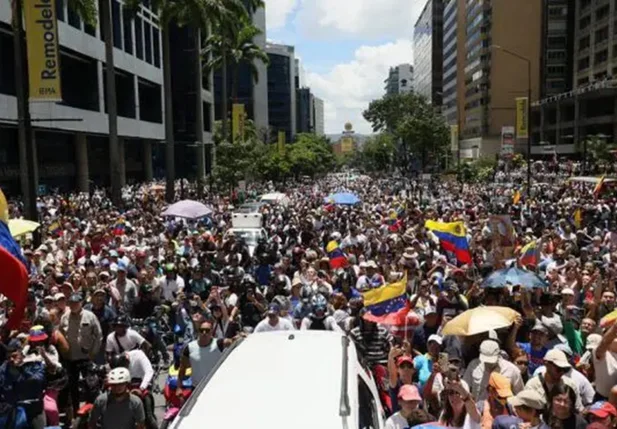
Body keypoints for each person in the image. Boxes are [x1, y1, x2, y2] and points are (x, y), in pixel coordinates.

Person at [59, 292, 102, 416]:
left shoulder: (90, 316)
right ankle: (77, 412)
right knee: (73, 387)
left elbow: (98, 335)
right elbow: (61, 336)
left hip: (86, 357)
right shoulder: (65, 317)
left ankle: (91, 411)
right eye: (71, 303)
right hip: (70, 357)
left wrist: (93, 353)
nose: (73, 305)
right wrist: (63, 353)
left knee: (90, 386)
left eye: (76, 303)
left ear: (81, 303)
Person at [0, 339, 47, 429]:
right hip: (12, 412)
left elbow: (38, 380)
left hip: (34, 409)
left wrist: (22, 370)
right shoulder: (3, 369)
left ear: (22, 354)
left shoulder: (34, 364)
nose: (11, 359)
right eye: (8, 357)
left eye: (14, 356)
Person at [177, 321, 234, 391]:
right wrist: (178, 387)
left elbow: (233, 341)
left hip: (217, 386)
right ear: (198, 332)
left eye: (207, 331)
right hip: (197, 389)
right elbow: (182, 369)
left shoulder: (219, 344)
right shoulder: (189, 348)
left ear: (211, 332)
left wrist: (240, 335)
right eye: (201, 330)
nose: (204, 333)